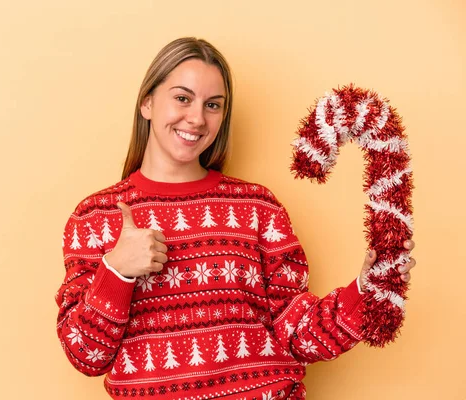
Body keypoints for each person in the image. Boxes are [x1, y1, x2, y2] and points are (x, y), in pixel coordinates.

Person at [55, 37, 416, 400]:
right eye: (182, 98)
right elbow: (86, 355)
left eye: (213, 105)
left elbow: (297, 336)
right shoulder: (94, 217)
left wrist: (364, 291)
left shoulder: (257, 206)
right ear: (147, 102)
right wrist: (117, 271)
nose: (197, 118)